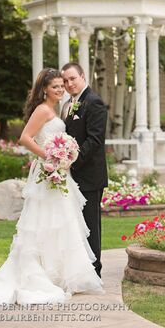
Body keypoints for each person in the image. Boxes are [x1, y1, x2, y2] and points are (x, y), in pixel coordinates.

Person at [0, 68, 103, 305]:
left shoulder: (59, 109)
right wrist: (49, 157)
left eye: (63, 85)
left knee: (60, 222)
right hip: (48, 172)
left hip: (59, 173)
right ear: (44, 89)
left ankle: (59, 274)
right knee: (44, 222)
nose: (61, 89)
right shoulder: (43, 110)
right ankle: (41, 274)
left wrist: (63, 156)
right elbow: (24, 138)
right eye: (56, 86)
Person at [61, 63, 108, 278]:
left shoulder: (94, 102)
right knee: (76, 225)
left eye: (72, 79)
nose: (69, 84)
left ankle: (94, 272)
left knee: (90, 226)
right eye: (65, 81)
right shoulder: (69, 104)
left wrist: (72, 160)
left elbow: (95, 140)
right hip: (73, 176)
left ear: (82, 76)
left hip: (89, 176)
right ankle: (80, 270)